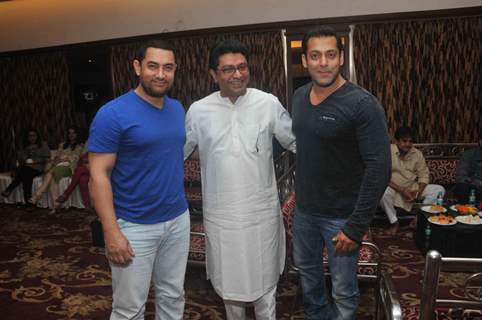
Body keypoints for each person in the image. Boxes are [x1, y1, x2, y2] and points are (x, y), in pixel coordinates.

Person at [184, 39, 296, 320]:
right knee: (230, 289)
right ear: (213, 74)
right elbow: (176, 154)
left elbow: (297, 143)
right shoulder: (199, 111)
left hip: (260, 214)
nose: (237, 74)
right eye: (228, 69)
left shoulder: (267, 103)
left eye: (242, 67)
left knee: (266, 286)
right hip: (223, 217)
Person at [291, 26, 391, 319]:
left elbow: (379, 168)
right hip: (304, 212)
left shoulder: (362, 104)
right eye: (315, 55)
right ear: (305, 61)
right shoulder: (298, 97)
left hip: (341, 218)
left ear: (341, 58)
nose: (323, 62)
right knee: (308, 281)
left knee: (343, 292)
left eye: (330, 55)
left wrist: (355, 226)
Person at [88, 40, 190, 320]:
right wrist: (111, 232)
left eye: (168, 68)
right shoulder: (112, 114)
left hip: (177, 220)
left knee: (173, 296)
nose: (160, 74)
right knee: (129, 308)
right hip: (133, 225)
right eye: (153, 66)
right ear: (137, 67)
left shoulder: (177, 109)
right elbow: (97, 176)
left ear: (175, 70)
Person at [380, 126, 446, 234]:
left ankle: (419, 219)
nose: (408, 144)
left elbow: (424, 175)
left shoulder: (417, 154)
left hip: (412, 188)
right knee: (382, 192)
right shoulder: (387, 151)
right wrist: (402, 190)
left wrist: (418, 192)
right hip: (393, 187)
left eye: (410, 141)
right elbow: (381, 176)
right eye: (404, 141)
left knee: (439, 190)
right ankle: (394, 223)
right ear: (396, 141)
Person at [29, 126, 84, 212]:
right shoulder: (62, 145)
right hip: (57, 166)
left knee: (51, 173)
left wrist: (63, 159)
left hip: (68, 167)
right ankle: (56, 205)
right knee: (52, 177)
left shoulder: (79, 146)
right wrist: (57, 159)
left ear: (77, 134)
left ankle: (37, 195)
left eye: (73, 133)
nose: (71, 135)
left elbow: (75, 157)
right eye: (69, 133)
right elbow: (57, 156)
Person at [1, 129, 50, 202]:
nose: (32, 138)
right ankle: (29, 202)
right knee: (26, 176)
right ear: (27, 137)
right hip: (26, 167)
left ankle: (9, 189)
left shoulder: (43, 144)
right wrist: (25, 155)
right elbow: (21, 159)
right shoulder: (25, 146)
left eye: (34, 135)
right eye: (30, 136)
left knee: (24, 172)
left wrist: (34, 161)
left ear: (37, 136)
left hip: (38, 168)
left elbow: (47, 158)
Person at [454, 132, 482, 204]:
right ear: (480, 142)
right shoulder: (469, 155)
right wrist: (479, 183)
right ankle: (464, 212)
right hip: (472, 187)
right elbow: (460, 177)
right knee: (462, 187)